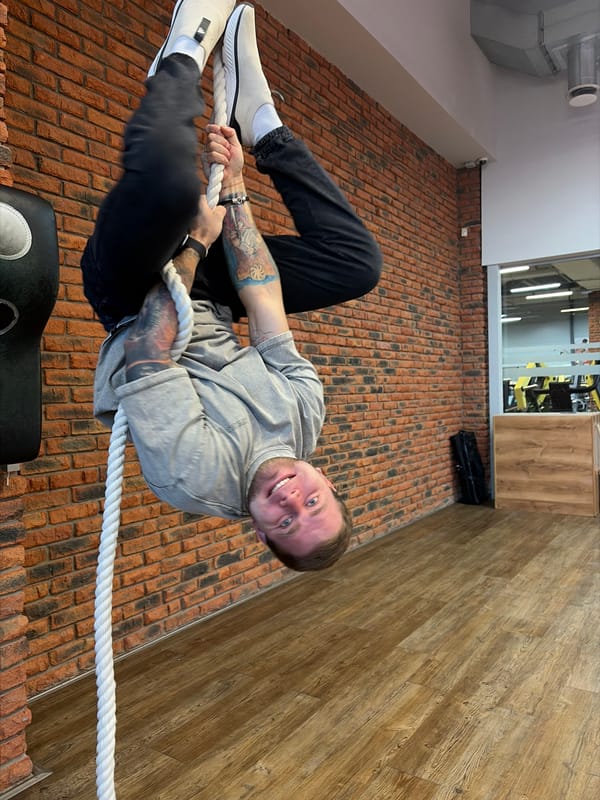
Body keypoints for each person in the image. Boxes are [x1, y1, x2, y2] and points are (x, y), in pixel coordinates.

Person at [81, 1, 382, 571]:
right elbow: (264, 299)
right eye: (313, 500)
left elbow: (148, 354)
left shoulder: (196, 479)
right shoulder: (303, 417)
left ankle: (181, 56)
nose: (292, 499)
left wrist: (195, 242)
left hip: (132, 299)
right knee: (357, 265)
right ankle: (263, 124)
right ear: (326, 477)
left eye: (287, 522)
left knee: (170, 188)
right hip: (212, 298)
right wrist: (238, 188)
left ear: (262, 535)